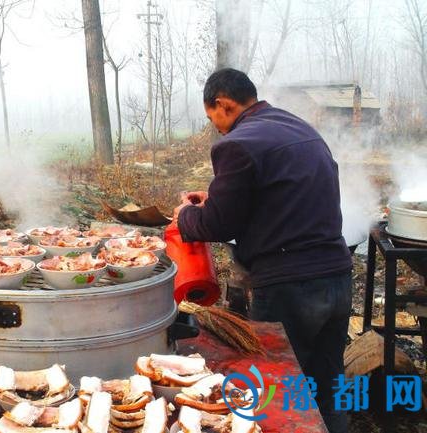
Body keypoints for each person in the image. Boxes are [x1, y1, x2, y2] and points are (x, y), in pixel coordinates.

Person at [174, 68, 352, 433]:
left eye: (212, 117)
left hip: (290, 286)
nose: (216, 128)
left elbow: (219, 225)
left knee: (275, 393)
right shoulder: (299, 129)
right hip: (337, 277)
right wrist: (215, 200)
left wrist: (186, 216)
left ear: (223, 104)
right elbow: (282, 196)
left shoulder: (236, 144)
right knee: (327, 384)